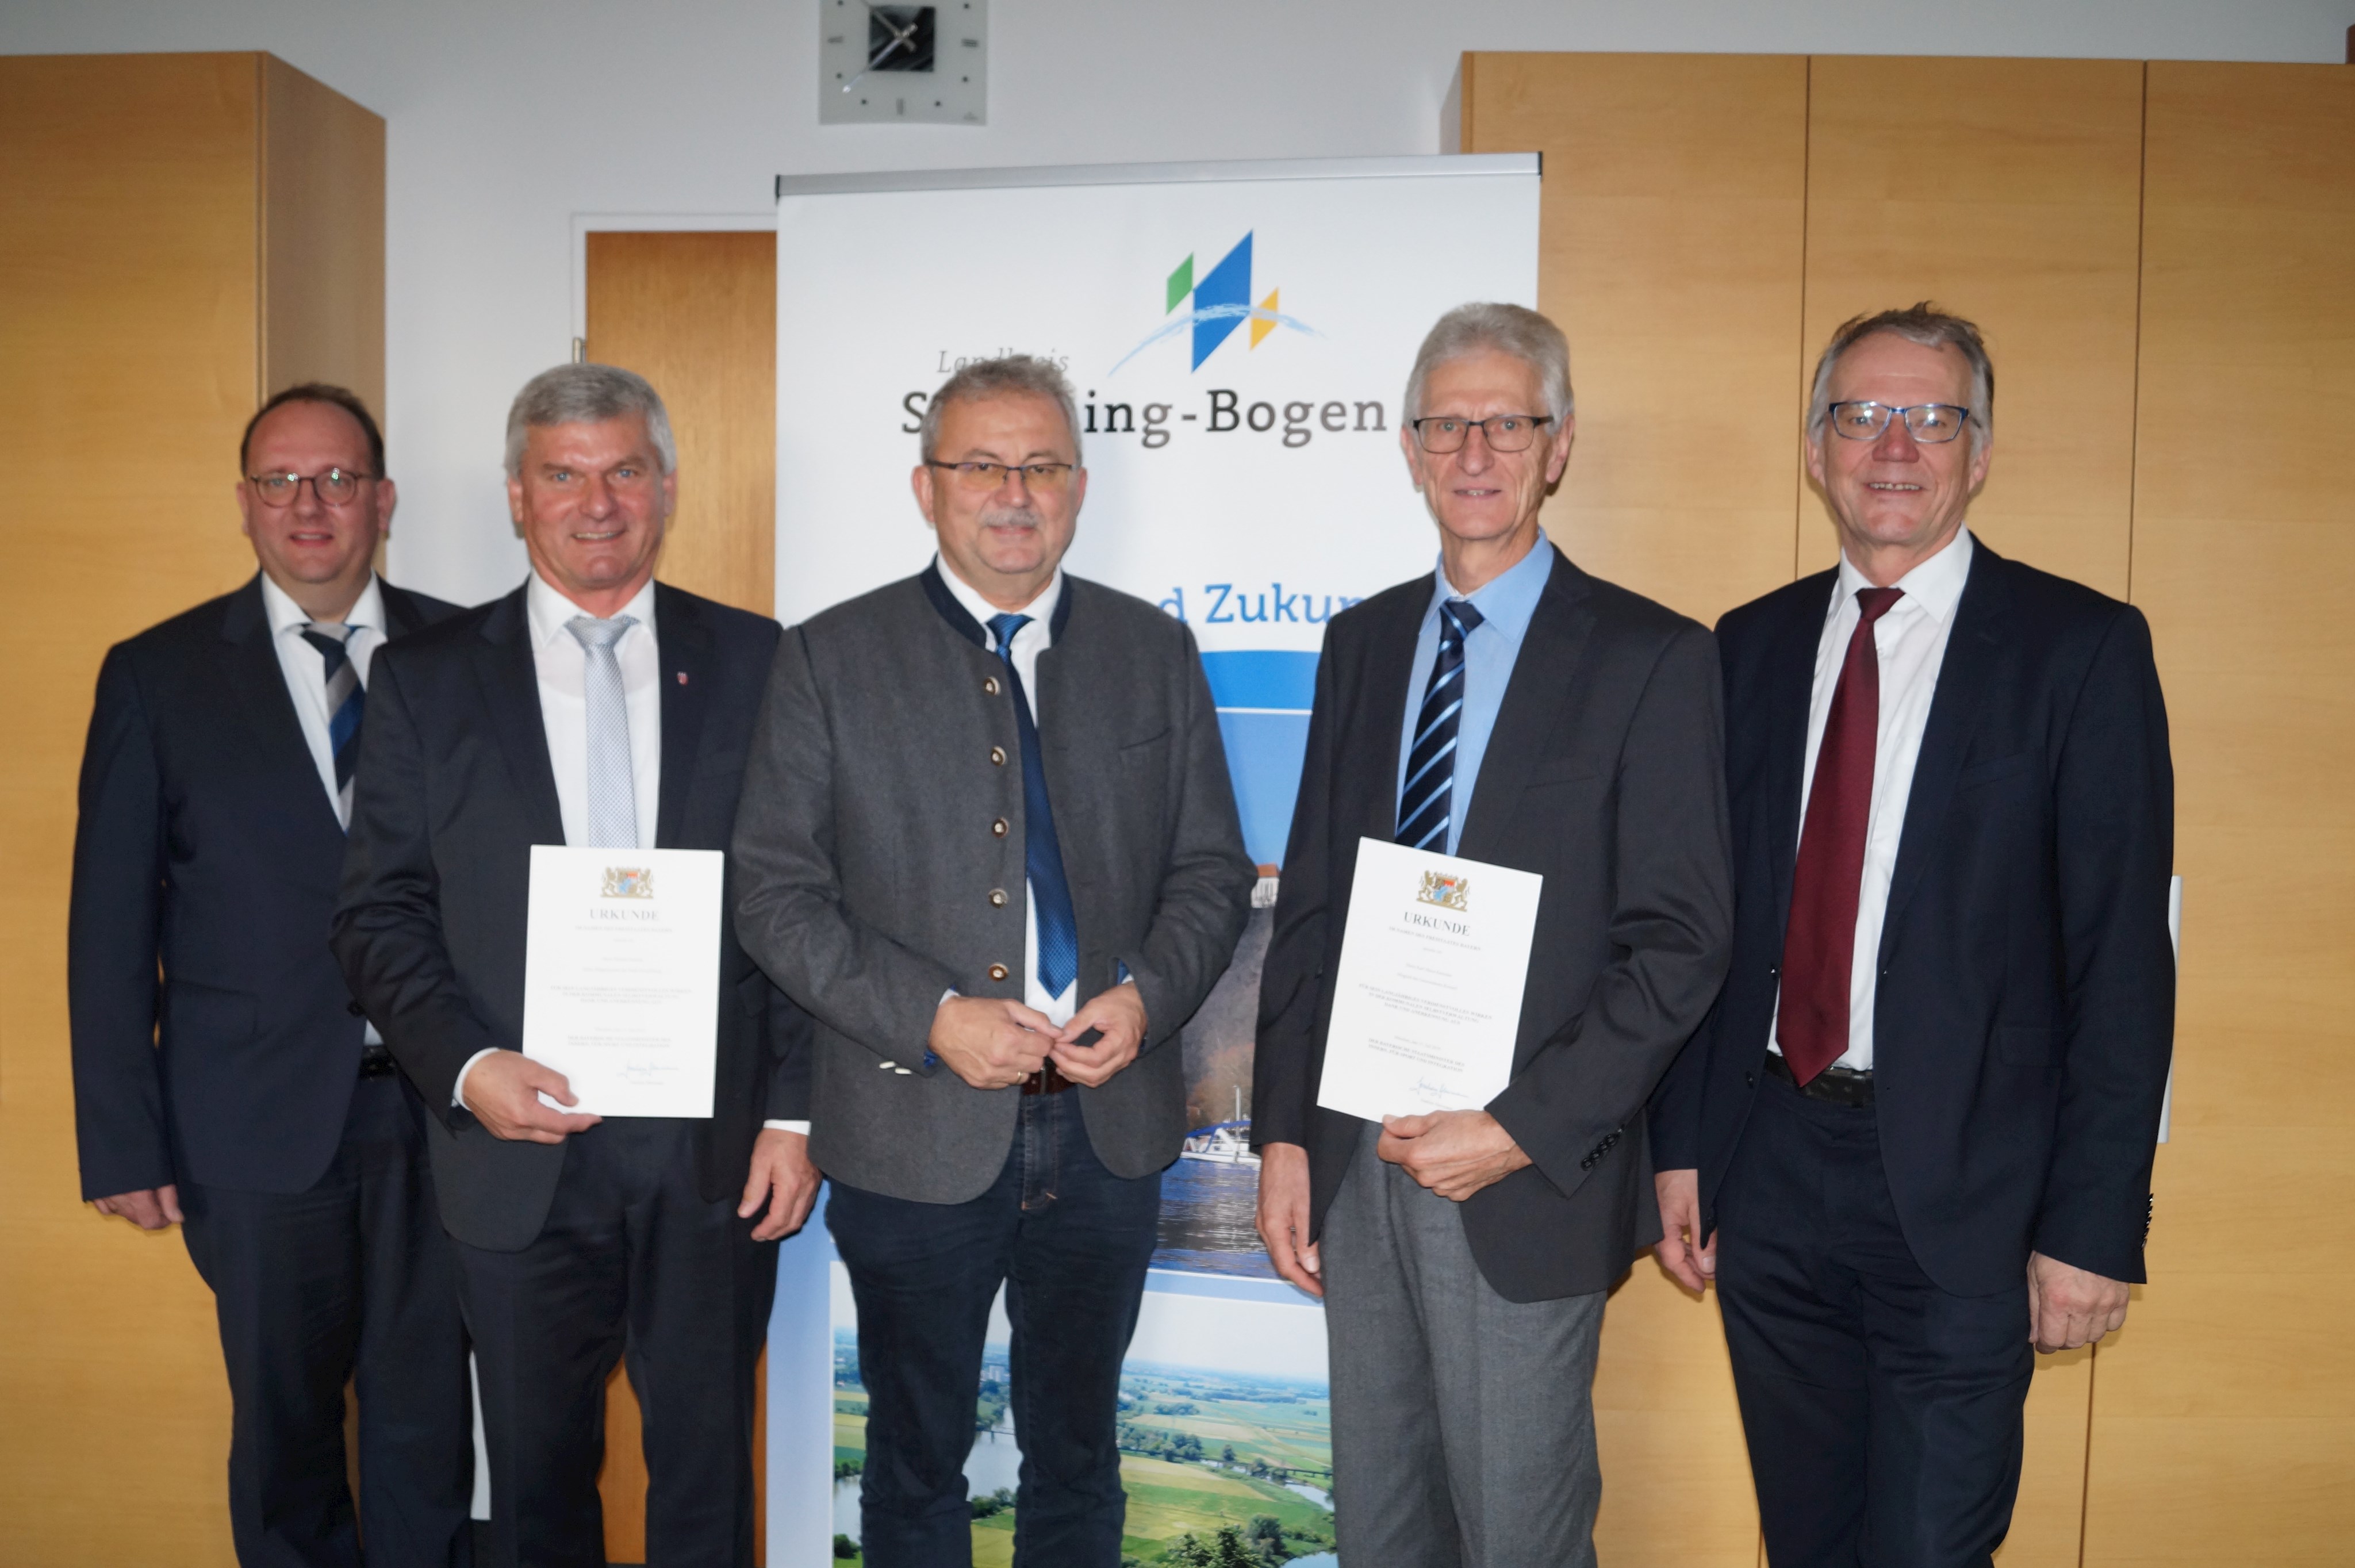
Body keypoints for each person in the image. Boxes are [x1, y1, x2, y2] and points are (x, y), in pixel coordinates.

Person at [1649, 304, 2176, 1566]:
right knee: (1807, 1541)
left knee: (1930, 1548)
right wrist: (1681, 1150)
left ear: (1978, 452)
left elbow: (2122, 961)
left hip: (1970, 1199)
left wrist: (2090, 1224)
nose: (1893, 443)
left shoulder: (2080, 649)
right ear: (1815, 447)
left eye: (1930, 416)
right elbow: (1703, 924)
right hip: (1768, 1171)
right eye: (1859, 413)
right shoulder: (1747, 646)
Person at [731, 354, 1255, 1566]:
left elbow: (1209, 872)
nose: (1012, 491)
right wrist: (931, 1015)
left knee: (1078, 1456)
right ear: (926, 486)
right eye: (981, 465)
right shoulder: (827, 657)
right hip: (910, 1128)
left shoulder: (1152, 651)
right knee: (914, 1461)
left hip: (1107, 1125)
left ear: (1078, 483)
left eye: (1040, 465)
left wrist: (1147, 995)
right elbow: (773, 891)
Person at [1252, 303, 1734, 1567]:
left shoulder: (1652, 657)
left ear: (1557, 444)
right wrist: (1286, 1130)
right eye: (1446, 424)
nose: (1475, 451)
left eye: (1506, 423)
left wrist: (1517, 1127)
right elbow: (1309, 900)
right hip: (1357, 1162)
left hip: (1521, 1178)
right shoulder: (1360, 644)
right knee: (1382, 1527)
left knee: (1519, 1535)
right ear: (1409, 448)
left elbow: (1680, 942)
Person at [330, 363, 818, 1568]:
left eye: (623, 471)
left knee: (706, 1476)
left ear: (664, 487)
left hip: (713, 1147)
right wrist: (468, 1063)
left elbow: (813, 900)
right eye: (563, 474)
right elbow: (376, 914)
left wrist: (797, 1110)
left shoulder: (762, 662)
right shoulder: (428, 678)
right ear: (516, 495)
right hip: (515, 1143)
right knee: (539, 1489)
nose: (595, 501)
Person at [70, 384, 474, 1566]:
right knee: (287, 1437)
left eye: (339, 479)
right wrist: (123, 1140)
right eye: (281, 481)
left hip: (445, 1114)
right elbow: (108, 925)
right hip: (249, 1125)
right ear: (245, 504)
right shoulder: (158, 674)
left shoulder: (470, 654)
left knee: (428, 1428)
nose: (311, 505)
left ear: (383, 500)